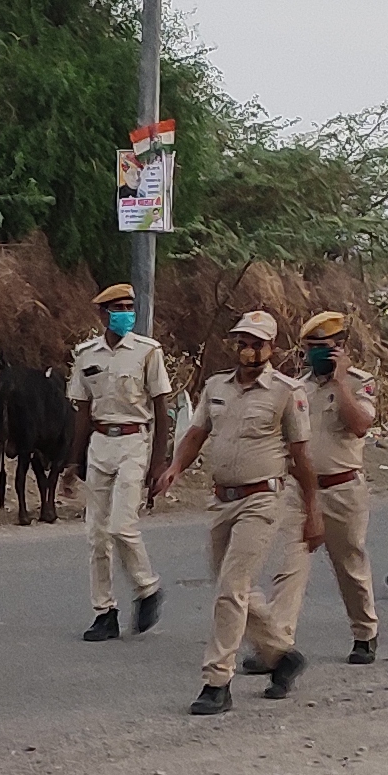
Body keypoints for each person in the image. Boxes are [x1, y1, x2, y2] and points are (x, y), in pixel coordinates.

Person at [153, 310, 324, 713]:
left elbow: (301, 456)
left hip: (262, 499)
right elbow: (197, 433)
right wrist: (175, 467)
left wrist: (313, 510)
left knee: (231, 588)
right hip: (221, 500)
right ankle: (282, 654)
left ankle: (216, 681)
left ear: (272, 348)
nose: (248, 350)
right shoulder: (216, 386)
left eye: (256, 343)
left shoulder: (286, 392)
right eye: (243, 342)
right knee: (234, 588)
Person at [69, 282, 174, 640]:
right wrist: (74, 460)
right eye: (118, 308)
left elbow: (161, 409)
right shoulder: (86, 355)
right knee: (96, 535)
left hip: (134, 441)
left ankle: (147, 588)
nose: (125, 313)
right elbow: (83, 411)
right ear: (102, 314)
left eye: (129, 306)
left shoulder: (147, 352)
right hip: (100, 443)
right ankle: (104, 611)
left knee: (121, 525)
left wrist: (158, 463)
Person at [283, 312, 385, 665]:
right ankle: (278, 643)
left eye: (324, 348)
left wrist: (340, 382)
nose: (317, 355)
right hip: (300, 490)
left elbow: (359, 425)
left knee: (350, 565)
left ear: (340, 349)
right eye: (311, 348)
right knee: (289, 565)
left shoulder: (359, 384)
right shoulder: (297, 388)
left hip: (343, 489)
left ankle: (364, 632)